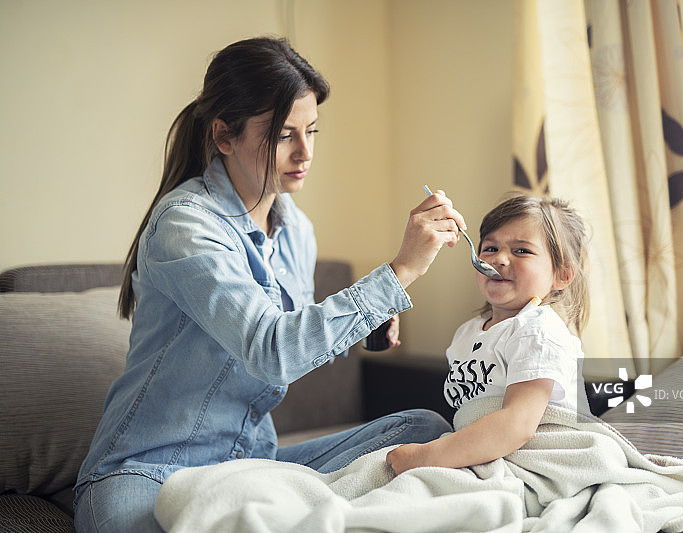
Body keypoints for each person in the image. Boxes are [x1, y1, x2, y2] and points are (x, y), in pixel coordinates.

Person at [74, 36, 464, 533]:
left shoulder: (294, 226)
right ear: (224, 136)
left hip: (251, 470)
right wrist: (401, 271)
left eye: (312, 130)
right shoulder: (186, 226)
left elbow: (292, 333)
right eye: (283, 135)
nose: (305, 152)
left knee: (424, 431)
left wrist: (365, 323)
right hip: (150, 472)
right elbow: (271, 350)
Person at [386, 194, 591, 475]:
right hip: (485, 455)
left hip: (539, 459)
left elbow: (517, 424)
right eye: (490, 248)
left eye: (521, 251)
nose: (500, 259)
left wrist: (424, 456)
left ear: (562, 275)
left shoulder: (538, 329)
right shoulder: (466, 333)